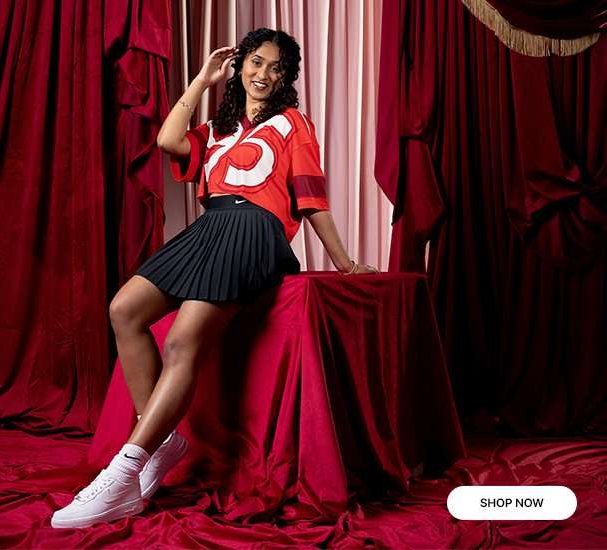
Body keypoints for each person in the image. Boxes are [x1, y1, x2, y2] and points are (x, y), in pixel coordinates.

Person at [51, 28, 378, 529]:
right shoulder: (217, 131)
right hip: (210, 229)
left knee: (183, 342)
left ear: (287, 78)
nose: (264, 75)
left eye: (276, 68)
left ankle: (125, 470)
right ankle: (161, 441)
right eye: (256, 63)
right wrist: (202, 80)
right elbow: (166, 140)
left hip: (255, 231)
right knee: (124, 310)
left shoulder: (294, 124)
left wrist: (344, 261)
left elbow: (311, 198)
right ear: (240, 65)